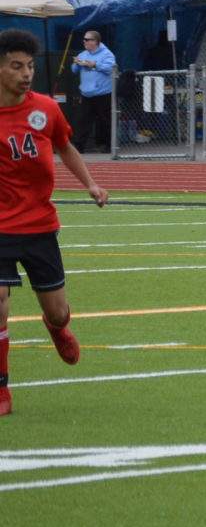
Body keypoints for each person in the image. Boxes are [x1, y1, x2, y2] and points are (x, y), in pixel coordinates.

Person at [0, 29, 109, 417]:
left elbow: (65, 146)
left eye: (30, 66)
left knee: (58, 309)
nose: (26, 73)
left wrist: (91, 184)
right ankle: (2, 390)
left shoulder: (46, 109)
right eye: (17, 66)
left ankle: (57, 327)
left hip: (39, 226)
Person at [69, 30, 116, 153]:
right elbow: (74, 70)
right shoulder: (82, 54)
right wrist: (77, 63)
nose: (84, 41)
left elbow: (111, 68)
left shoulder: (107, 54)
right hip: (86, 94)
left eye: (87, 39)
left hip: (103, 93)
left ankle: (109, 146)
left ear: (95, 41)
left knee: (105, 121)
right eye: (84, 39)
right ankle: (79, 147)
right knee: (82, 120)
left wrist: (94, 64)